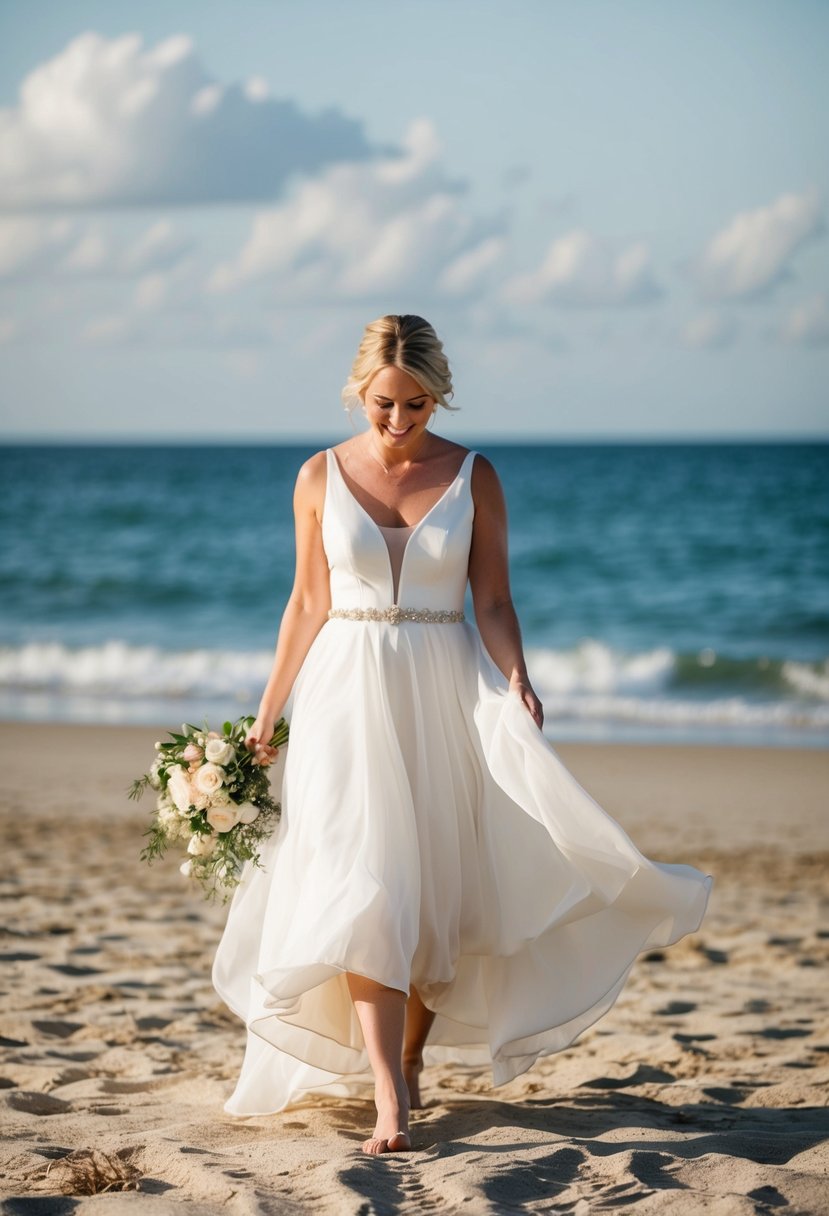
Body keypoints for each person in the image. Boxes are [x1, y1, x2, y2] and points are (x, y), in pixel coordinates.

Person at [212, 314, 712, 1156]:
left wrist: (516, 672)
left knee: (434, 889)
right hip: (344, 692)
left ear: (438, 394)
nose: (400, 422)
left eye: (416, 404)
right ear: (358, 390)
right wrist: (269, 710)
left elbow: (492, 601)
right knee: (360, 883)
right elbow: (305, 603)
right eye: (383, 405)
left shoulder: (475, 476)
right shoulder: (316, 476)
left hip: (445, 684)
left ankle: (407, 1059)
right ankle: (385, 1093)